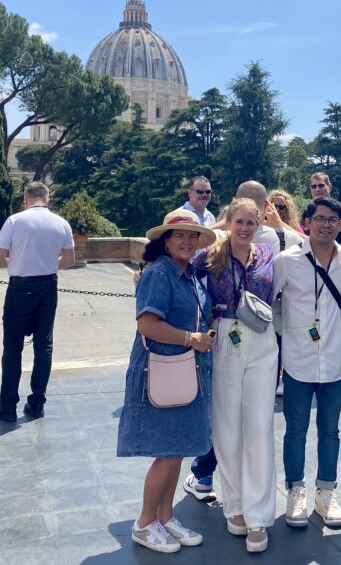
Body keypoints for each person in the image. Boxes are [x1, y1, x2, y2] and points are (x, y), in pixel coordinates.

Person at [118, 210, 216, 554]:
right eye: (179, 236)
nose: (187, 242)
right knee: (167, 453)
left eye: (192, 237)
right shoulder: (160, 274)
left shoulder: (187, 274)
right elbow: (147, 324)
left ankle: (165, 515)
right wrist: (191, 338)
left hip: (182, 370)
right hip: (161, 370)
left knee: (175, 451)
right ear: (165, 241)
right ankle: (145, 523)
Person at [275, 197, 341, 529]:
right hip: (298, 360)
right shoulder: (286, 261)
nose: (326, 224)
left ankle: (325, 492)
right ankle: (295, 490)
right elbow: (266, 297)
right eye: (320, 218)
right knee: (296, 431)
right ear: (307, 221)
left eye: (333, 220)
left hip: (335, 360)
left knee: (330, 430)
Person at [191, 198, 277, 553]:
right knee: (227, 427)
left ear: (259, 224)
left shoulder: (269, 255)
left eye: (250, 223)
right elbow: (178, 270)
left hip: (261, 337)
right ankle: (236, 505)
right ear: (228, 221)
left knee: (259, 426)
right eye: (238, 222)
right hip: (224, 335)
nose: (243, 228)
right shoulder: (209, 255)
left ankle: (259, 516)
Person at [0, 182, 75, 422]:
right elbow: (68, 259)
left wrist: (18, 263)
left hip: (20, 286)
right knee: (43, 347)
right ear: (48, 199)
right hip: (48, 285)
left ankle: (7, 406)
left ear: (26, 198)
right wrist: (46, 265)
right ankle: (37, 403)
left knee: (13, 348)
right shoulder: (61, 223)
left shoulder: (15, 221)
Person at [309, 173, 341, 251]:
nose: (317, 189)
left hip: (340, 258)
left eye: (321, 185)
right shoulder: (308, 212)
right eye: (313, 186)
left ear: (330, 187)